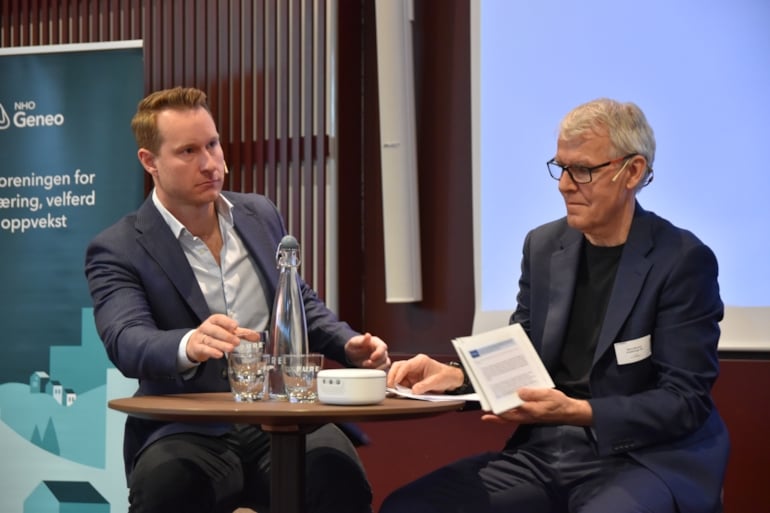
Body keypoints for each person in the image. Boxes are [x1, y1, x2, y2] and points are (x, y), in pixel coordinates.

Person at [383, 98, 728, 513]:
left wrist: (579, 411)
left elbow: (683, 400)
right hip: (548, 451)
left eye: (582, 170)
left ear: (633, 172)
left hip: (643, 457)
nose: (564, 185)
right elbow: (523, 351)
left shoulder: (681, 260)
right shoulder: (545, 245)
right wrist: (458, 377)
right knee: (411, 506)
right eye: (560, 167)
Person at [84, 86, 390, 513]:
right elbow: (126, 339)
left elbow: (297, 303)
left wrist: (348, 343)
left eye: (212, 144)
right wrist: (188, 343)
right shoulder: (118, 247)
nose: (209, 163)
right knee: (166, 486)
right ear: (150, 161)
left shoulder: (259, 214)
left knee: (337, 475)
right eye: (188, 151)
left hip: (280, 416)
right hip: (188, 427)